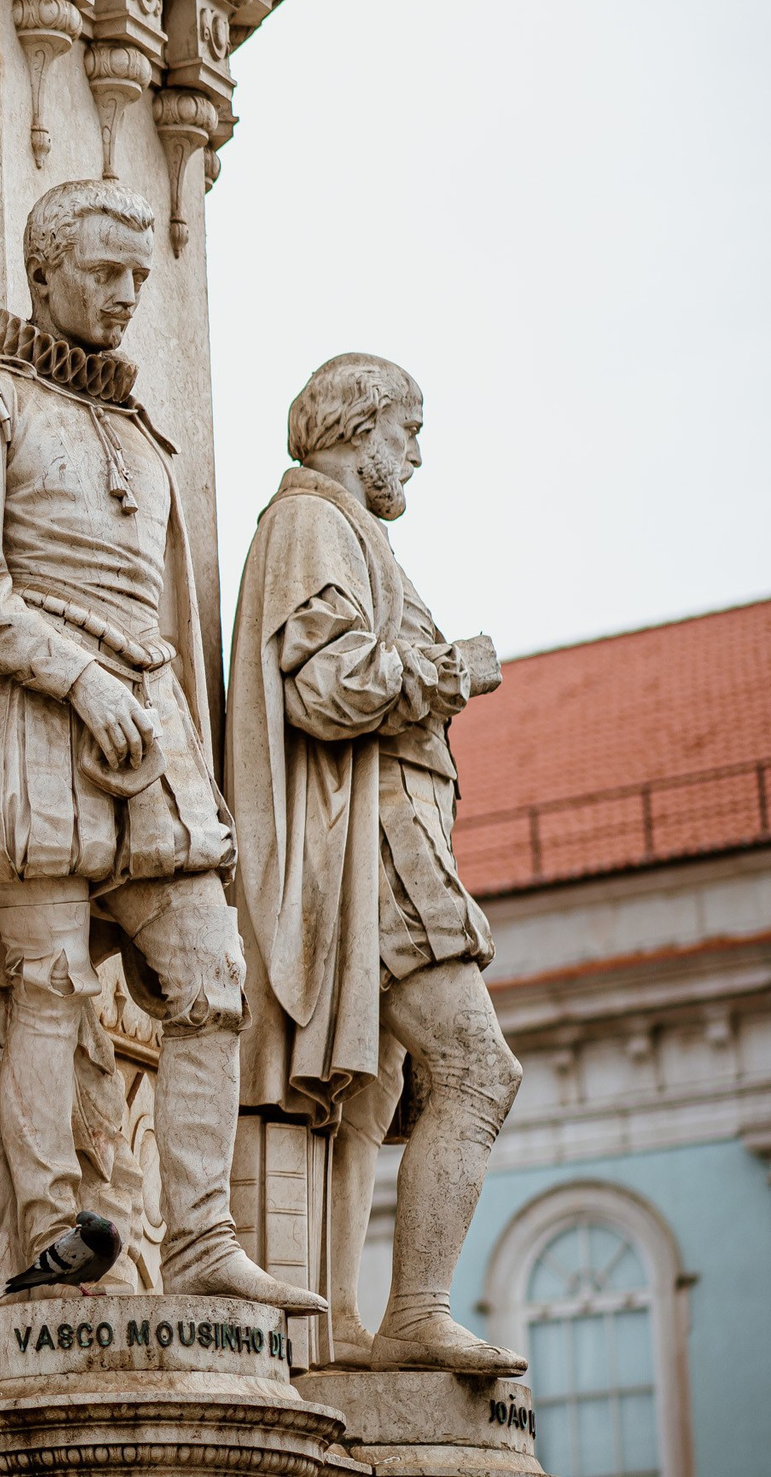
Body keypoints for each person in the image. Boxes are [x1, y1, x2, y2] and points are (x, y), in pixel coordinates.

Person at [0, 179, 322, 1313]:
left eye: (136, 276)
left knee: (212, 975)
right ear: (44, 273)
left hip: (147, 730)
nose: (124, 295)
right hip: (27, 722)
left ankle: (204, 1236)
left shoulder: (133, 425)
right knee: (49, 980)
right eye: (103, 272)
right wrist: (73, 675)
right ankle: (47, 1230)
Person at [226, 353, 524, 1373]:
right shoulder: (314, 519)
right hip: (375, 833)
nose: (416, 453)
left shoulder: (346, 532)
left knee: (365, 1087)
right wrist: (452, 671)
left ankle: (342, 1322)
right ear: (357, 429)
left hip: (385, 832)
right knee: (478, 1068)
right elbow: (322, 685)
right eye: (407, 430)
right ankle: (413, 1310)